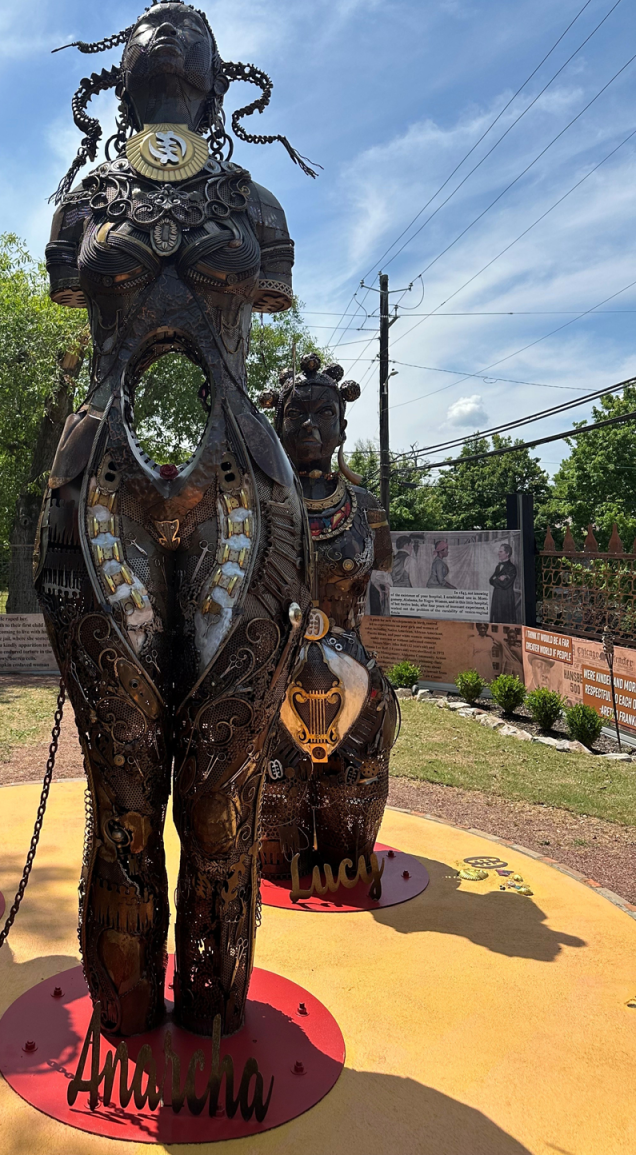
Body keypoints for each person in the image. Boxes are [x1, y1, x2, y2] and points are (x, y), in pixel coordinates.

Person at [37, 0, 314, 1036]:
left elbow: (266, 292)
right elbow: (76, 288)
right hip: (98, 486)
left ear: (218, 72)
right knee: (122, 775)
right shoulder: (85, 200)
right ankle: (121, 1006)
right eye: (151, 24)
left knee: (220, 777)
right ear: (121, 73)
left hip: (241, 492)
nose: (168, 28)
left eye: (187, 23)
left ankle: (212, 1001)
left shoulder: (253, 201)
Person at [258, 355, 399, 880]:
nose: (310, 426)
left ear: (341, 427)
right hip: (272, 673)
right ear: (278, 424)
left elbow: (380, 564)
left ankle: (346, 853)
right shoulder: (257, 505)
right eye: (297, 414)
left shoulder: (366, 508)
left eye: (324, 414)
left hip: (354, 674)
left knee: (353, 803)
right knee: (276, 803)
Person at [489, 542, 519, 622]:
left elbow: (505, 584)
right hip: (497, 597)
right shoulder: (498, 567)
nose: (498, 553)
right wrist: (498, 579)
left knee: (505, 620)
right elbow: (491, 580)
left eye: (501, 551)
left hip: (506, 599)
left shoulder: (512, 568)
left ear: (507, 553)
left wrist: (496, 579)